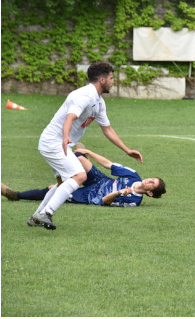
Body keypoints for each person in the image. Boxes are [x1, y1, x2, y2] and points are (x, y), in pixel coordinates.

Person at [29, 61, 143, 230]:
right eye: (112, 78)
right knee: (80, 176)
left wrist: (127, 150)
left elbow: (107, 129)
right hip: (54, 143)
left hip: (59, 144)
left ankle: (35, 217)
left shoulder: (99, 101)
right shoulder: (85, 96)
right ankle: (46, 213)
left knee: (63, 184)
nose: (113, 81)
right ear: (102, 80)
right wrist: (66, 137)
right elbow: (70, 117)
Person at [3, 147, 165, 208]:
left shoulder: (133, 201)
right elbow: (109, 165)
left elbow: (104, 201)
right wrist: (89, 152)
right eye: (152, 178)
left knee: (55, 190)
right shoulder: (133, 175)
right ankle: (67, 176)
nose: (149, 180)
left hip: (93, 196)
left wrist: (119, 193)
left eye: (152, 183)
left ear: (150, 193)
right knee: (79, 157)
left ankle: (15, 195)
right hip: (100, 180)